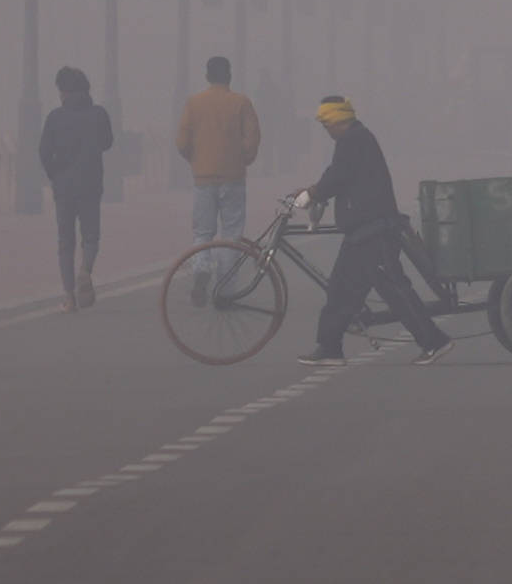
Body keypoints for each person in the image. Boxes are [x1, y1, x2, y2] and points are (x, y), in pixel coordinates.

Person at [294, 96, 452, 365]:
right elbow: (337, 174)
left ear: (339, 121)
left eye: (327, 125)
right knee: (340, 290)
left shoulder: (355, 140)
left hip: (375, 231)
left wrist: (312, 193)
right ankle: (330, 348)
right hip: (361, 232)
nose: (326, 130)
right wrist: (314, 190)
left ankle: (435, 342)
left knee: (395, 291)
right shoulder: (354, 139)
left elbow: (338, 176)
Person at [175, 54, 262, 304]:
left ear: (207, 76)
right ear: (229, 76)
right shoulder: (241, 103)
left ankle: (202, 266)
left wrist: (196, 159)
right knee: (231, 235)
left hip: (203, 177)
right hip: (233, 176)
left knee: (203, 232)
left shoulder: (194, 103)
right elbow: (253, 138)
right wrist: (243, 159)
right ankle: (224, 290)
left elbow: (182, 142)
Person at [38, 66, 115, 309]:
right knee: (90, 236)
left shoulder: (55, 117)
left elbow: (43, 152)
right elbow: (107, 143)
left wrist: (55, 174)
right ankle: (85, 271)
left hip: (64, 187)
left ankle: (69, 296)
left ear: (64, 91)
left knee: (65, 241)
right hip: (91, 183)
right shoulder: (99, 114)